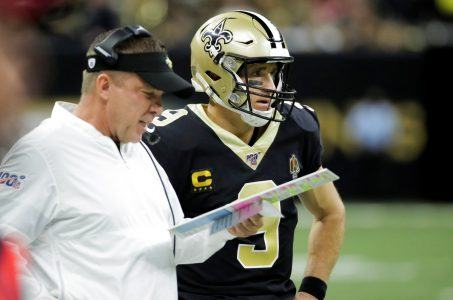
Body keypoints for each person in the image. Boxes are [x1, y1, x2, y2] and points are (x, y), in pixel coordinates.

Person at [0, 25, 262, 299]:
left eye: (161, 98)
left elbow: (171, 244)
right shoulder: (44, 151)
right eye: (149, 94)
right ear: (104, 86)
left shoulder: (140, 151)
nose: (158, 108)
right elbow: (5, 252)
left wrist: (228, 225)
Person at [145, 11, 345, 300]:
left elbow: (330, 212)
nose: (271, 86)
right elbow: (142, 239)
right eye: (255, 73)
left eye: (274, 73)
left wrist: (312, 291)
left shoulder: (295, 127)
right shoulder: (171, 140)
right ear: (215, 73)